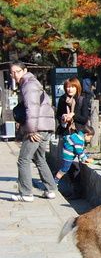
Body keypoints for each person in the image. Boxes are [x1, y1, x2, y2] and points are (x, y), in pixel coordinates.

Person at [10, 61, 58, 202]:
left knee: (23, 159)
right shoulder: (32, 83)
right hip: (45, 126)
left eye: (17, 71)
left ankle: (26, 193)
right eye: (12, 72)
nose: (14, 75)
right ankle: (50, 189)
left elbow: (32, 108)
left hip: (37, 128)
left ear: (25, 70)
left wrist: (31, 130)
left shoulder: (29, 85)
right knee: (39, 158)